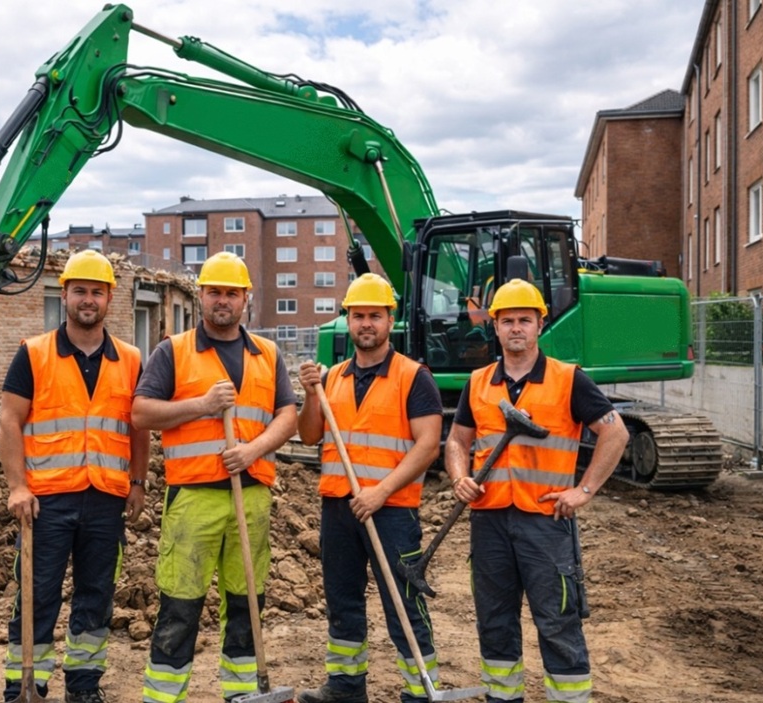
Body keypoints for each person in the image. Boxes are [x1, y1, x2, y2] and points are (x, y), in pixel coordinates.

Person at [445, 278, 629, 703]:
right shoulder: (478, 383)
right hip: (489, 520)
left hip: (546, 522)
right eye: (507, 320)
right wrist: (459, 478)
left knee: (557, 620)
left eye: (524, 320)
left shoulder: (568, 380)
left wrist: (583, 490)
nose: (515, 329)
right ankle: (502, 697)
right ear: (494, 326)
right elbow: (457, 440)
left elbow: (614, 433)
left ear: (540, 324)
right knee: (494, 620)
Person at [134, 251, 298, 703]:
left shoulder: (267, 354)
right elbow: (141, 412)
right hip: (194, 498)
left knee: (247, 604)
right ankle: (164, 696)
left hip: (252, 495)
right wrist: (201, 406)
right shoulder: (174, 350)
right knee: (181, 605)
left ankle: (243, 692)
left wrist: (254, 450)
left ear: (246, 297)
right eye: (214, 292)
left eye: (231, 292)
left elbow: (288, 415)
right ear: (200, 295)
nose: (222, 300)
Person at [0, 249, 150, 703]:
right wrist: (17, 486)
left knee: (96, 595)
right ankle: (24, 684)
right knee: (37, 594)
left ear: (109, 299)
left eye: (97, 292)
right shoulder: (34, 353)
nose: (88, 299)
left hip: (105, 498)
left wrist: (138, 482)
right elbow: (10, 421)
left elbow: (137, 425)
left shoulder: (130, 358)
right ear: (63, 294)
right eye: (80, 290)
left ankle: (83, 686)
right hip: (46, 501)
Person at [296, 273, 446, 703]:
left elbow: (427, 445)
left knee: (405, 603)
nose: (366, 324)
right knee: (343, 603)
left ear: (389, 320)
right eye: (358, 315)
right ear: (347, 319)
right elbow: (309, 436)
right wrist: (310, 394)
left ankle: (421, 690)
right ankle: (345, 687)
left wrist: (380, 492)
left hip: (392, 510)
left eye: (374, 316)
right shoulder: (334, 378)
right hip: (339, 509)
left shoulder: (412, 376)